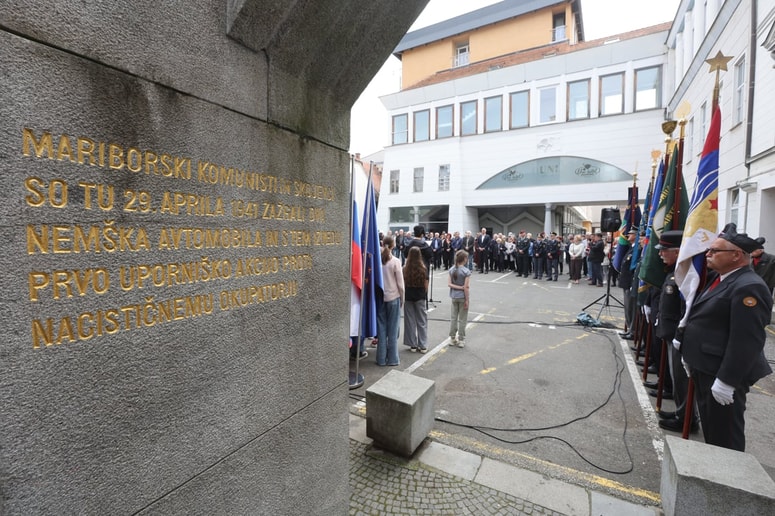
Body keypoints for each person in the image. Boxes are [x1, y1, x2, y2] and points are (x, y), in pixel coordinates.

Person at [680, 223, 773, 451]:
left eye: (715, 250)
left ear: (736, 255)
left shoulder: (749, 287)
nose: (708, 254)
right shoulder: (721, 277)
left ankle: (728, 474)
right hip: (706, 366)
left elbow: (746, 340)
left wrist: (727, 380)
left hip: (721, 372)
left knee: (725, 438)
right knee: (712, 432)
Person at [652, 230, 697, 433]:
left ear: (678, 252)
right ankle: (681, 412)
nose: (660, 254)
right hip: (671, 331)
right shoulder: (675, 271)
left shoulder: (687, 273)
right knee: (676, 377)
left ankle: (687, 418)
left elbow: (686, 308)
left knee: (682, 378)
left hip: (679, 333)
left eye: (664, 250)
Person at [376, 236, 404, 366]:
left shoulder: (378, 260)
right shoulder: (396, 261)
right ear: (393, 246)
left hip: (380, 297)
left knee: (381, 329)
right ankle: (393, 358)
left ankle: (381, 358)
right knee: (393, 329)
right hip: (393, 297)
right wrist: (402, 298)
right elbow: (400, 284)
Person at [403, 247, 429, 353]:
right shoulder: (423, 268)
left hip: (408, 295)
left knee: (410, 321)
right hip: (420, 295)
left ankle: (412, 344)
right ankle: (422, 345)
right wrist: (424, 293)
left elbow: (403, 282)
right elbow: (426, 284)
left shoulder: (405, 268)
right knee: (422, 321)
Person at [448, 250, 471, 347]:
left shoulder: (451, 269)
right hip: (462, 297)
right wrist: (467, 299)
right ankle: (461, 339)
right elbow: (466, 287)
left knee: (453, 318)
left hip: (454, 296)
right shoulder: (466, 271)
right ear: (464, 259)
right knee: (462, 319)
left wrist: (458, 287)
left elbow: (449, 284)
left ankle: (452, 338)